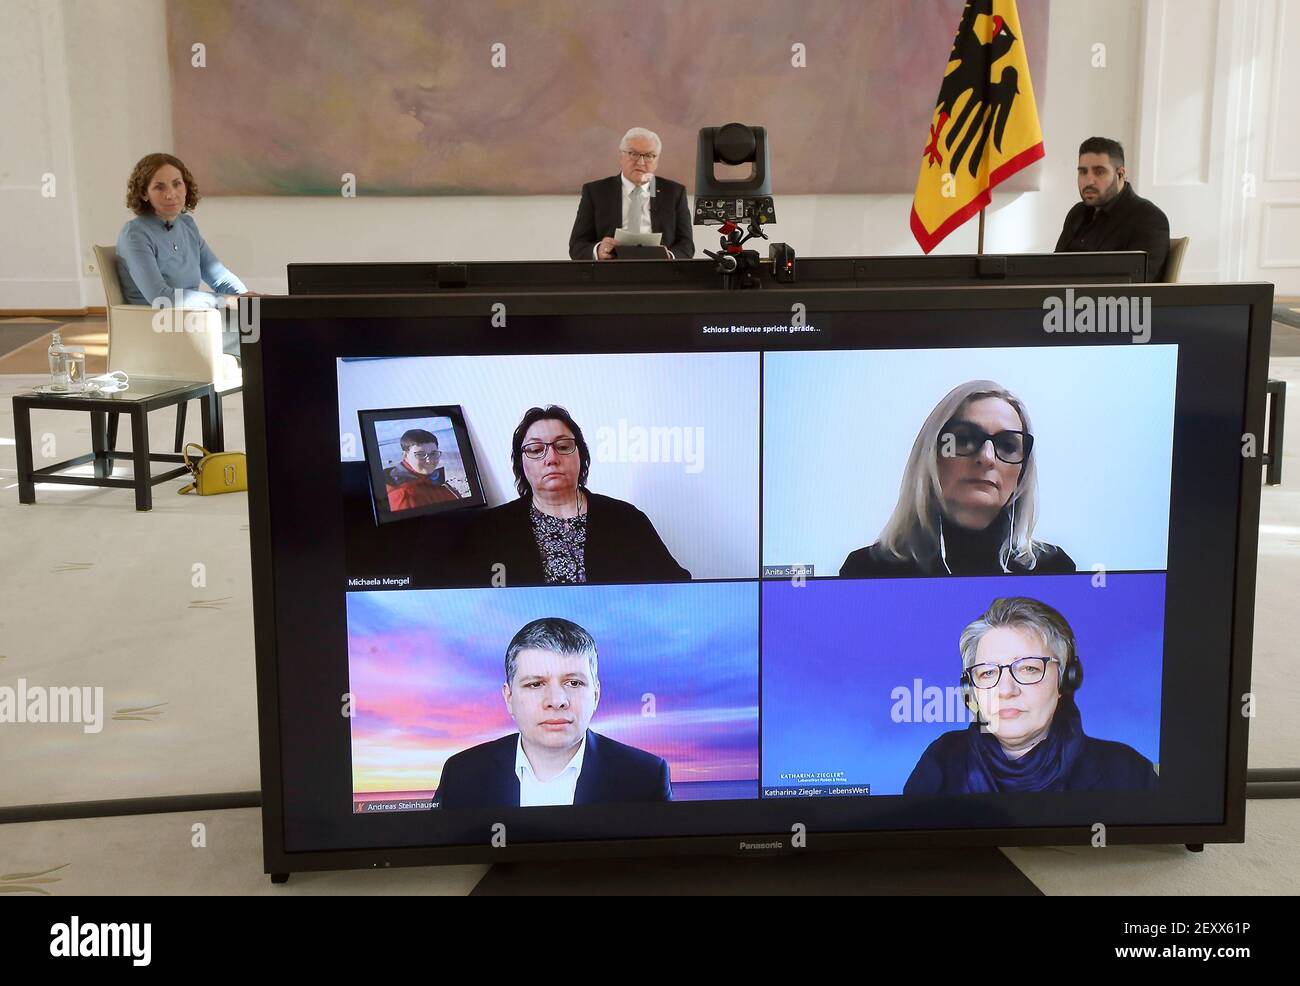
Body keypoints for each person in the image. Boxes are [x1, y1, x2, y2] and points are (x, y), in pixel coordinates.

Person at [904, 597, 1158, 794]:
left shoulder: (1128, 771)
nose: (1006, 690)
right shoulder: (940, 761)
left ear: (1065, 680)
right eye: (988, 673)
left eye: (1028, 668)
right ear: (970, 690)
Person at [840, 381, 1075, 578]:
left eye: (1007, 445)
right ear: (932, 455)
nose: (987, 457)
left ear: (1022, 473)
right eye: (964, 439)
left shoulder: (1054, 569)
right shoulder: (868, 570)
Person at [434, 617, 672, 808]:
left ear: (596, 694)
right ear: (509, 698)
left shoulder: (646, 776)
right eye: (535, 684)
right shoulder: (461, 773)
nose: (557, 701)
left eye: (574, 683)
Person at [466, 405, 690, 585]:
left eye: (563, 446)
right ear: (520, 464)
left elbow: (676, 585)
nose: (551, 458)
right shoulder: (491, 528)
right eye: (535, 450)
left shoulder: (626, 518)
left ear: (581, 456)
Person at [116, 152, 256, 357]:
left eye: (177, 184)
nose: (171, 193)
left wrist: (245, 301)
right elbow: (160, 298)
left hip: (196, 318)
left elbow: (220, 277)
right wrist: (225, 301)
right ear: (144, 193)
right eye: (159, 187)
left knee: (267, 321)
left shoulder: (187, 225)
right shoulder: (135, 234)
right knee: (262, 334)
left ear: (186, 186)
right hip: (159, 325)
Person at [568, 127, 695, 261]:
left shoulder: (674, 193)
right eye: (633, 154)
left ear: (657, 161)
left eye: (649, 156)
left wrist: (668, 257)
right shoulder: (596, 192)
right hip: (610, 272)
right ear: (621, 156)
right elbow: (577, 246)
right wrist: (598, 250)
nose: (640, 162)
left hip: (660, 272)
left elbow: (686, 245)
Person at [1054, 137, 1170, 282]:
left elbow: (1135, 287)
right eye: (1083, 172)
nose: (1089, 181)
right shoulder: (1077, 213)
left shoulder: (1148, 218)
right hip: (1061, 301)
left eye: (1099, 172)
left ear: (1120, 174)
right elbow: (1053, 271)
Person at [384, 428, 462, 512]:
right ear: (405, 456)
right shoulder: (405, 496)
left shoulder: (428, 477)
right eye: (420, 454)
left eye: (433, 453)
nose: (429, 460)